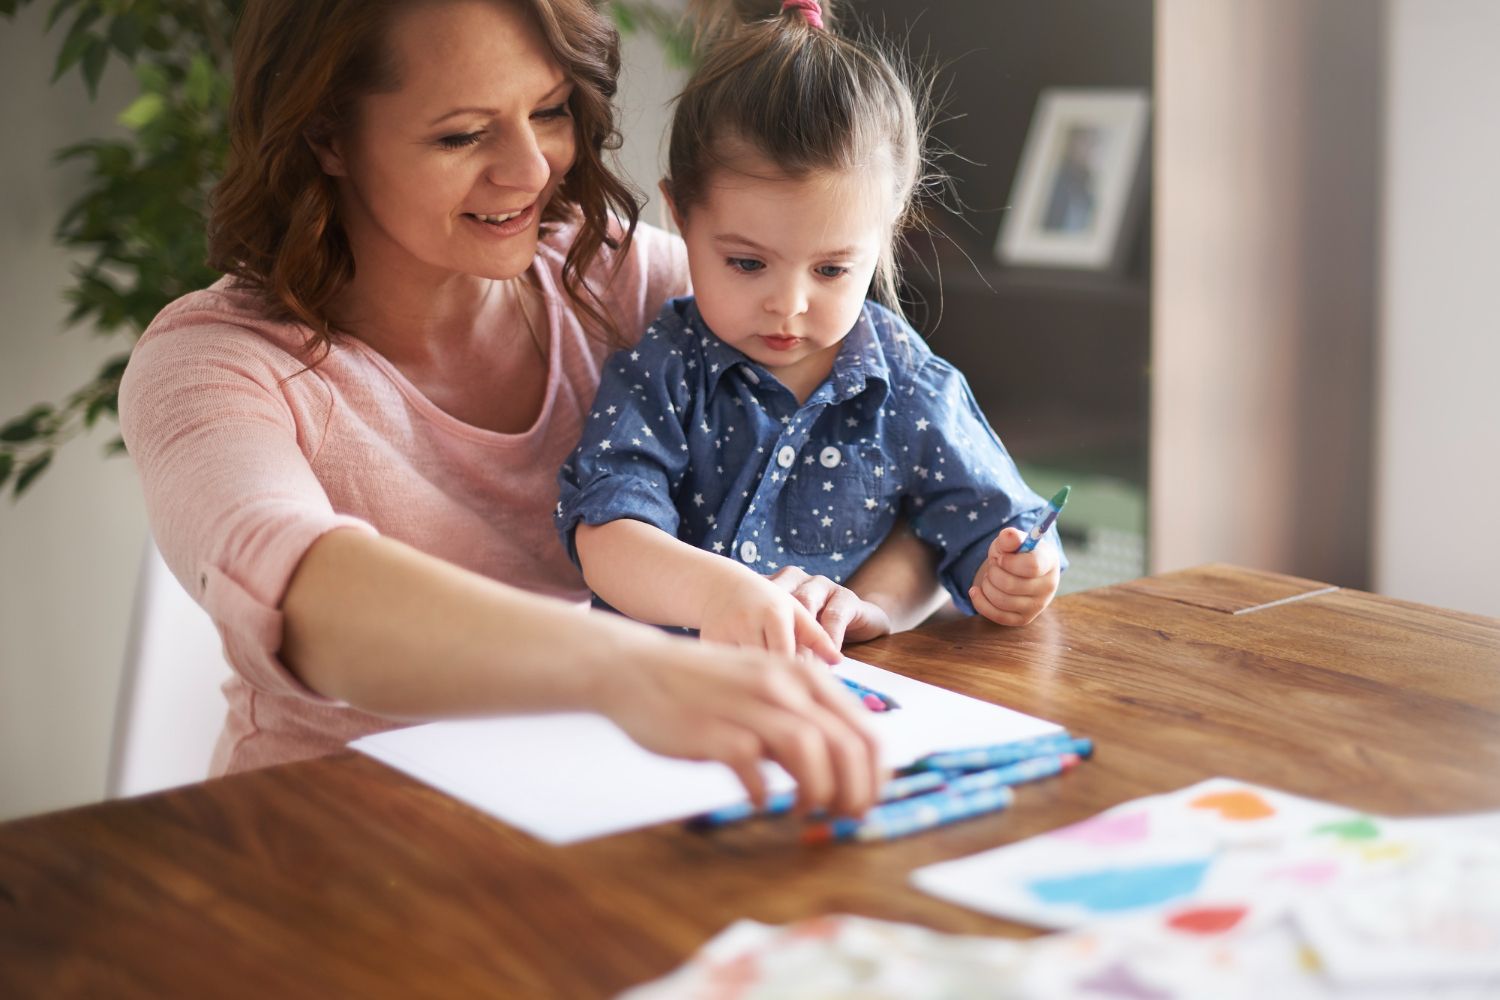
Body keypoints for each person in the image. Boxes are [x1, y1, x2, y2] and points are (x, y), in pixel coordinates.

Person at [119, 0, 948, 817]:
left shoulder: (630, 287)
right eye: (462, 134)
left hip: (597, 822)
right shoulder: (214, 364)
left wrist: (870, 595)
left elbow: (912, 458)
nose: (530, 170)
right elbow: (303, 595)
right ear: (326, 136)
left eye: (550, 110)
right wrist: (624, 670)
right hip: (332, 849)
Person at [556, 0, 1064, 651]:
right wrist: (720, 594)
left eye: (830, 270)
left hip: (849, 699)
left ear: (887, 233)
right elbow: (607, 532)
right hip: (666, 700)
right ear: (680, 215)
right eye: (747, 263)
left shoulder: (908, 383)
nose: (788, 305)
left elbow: (992, 522)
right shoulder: (664, 369)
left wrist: (1021, 570)